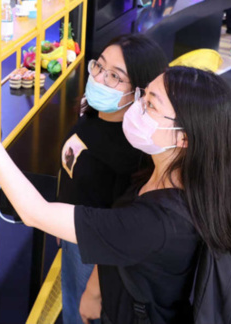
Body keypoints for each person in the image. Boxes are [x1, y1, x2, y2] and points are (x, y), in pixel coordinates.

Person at [0, 67, 231, 324]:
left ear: (184, 137)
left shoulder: (157, 222)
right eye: (143, 95)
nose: (138, 108)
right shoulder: (172, 176)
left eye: (151, 105)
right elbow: (120, 254)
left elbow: (33, 212)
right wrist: (93, 293)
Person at [57, 35, 168, 324]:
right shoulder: (96, 113)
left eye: (115, 76)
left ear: (139, 91)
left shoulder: (133, 153)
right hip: (72, 235)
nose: (100, 79)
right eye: (99, 67)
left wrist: (94, 291)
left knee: (80, 312)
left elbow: (119, 235)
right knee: (69, 302)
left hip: (94, 255)